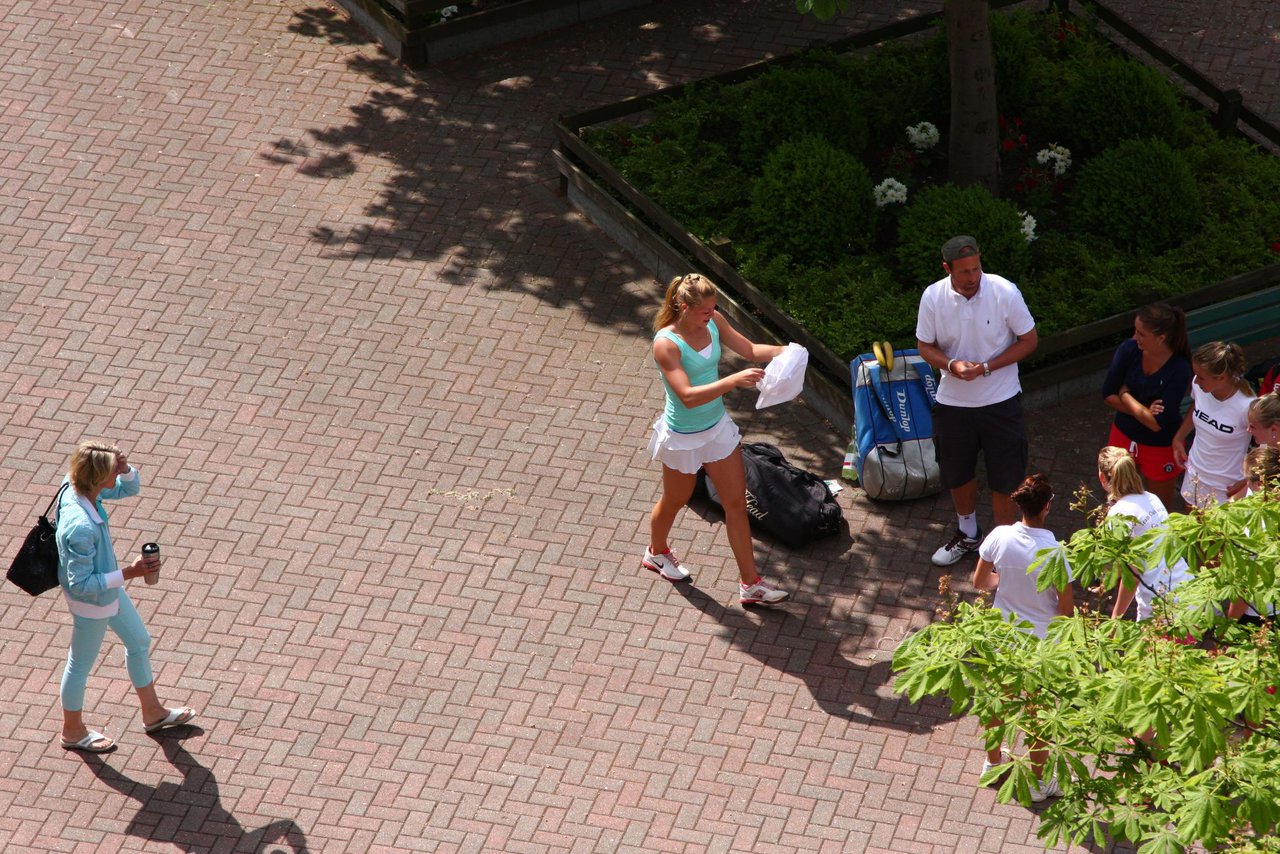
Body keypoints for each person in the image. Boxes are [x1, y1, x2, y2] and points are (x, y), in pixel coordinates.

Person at [645, 274, 790, 606]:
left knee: (736, 505)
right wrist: (733, 381)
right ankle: (657, 552)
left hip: (716, 430)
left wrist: (788, 351)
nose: (712, 315)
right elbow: (687, 396)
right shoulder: (666, 344)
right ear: (683, 307)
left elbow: (751, 349)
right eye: (705, 311)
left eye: (714, 308)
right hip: (682, 436)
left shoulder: (714, 321)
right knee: (674, 500)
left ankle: (751, 584)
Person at [55, 441, 196, 753]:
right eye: (111, 472)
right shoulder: (80, 527)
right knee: (79, 665)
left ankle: (153, 713)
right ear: (96, 477)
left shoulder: (77, 485)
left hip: (109, 590)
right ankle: (72, 731)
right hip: (91, 602)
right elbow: (81, 584)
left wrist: (125, 467)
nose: (115, 478)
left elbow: (128, 489)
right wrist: (130, 573)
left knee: (139, 641)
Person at [916, 235, 1038, 566]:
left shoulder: (1004, 291)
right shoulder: (932, 297)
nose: (973, 278)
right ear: (947, 269)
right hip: (953, 404)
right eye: (964, 272)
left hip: (1002, 402)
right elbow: (924, 346)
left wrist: (986, 368)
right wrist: (951, 365)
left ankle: (1003, 549)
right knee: (957, 473)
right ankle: (968, 534)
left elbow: (1029, 340)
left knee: (1005, 478)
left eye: (976, 268)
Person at [970, 473, 1073, 801]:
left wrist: (1008, 583)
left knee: (997, 702)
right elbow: (1067, 611)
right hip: (1041, 645)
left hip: (1003, 636)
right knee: (1037, 713)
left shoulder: (1000, 536)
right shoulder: (1055, 551)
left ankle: (992, 763)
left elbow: (980, 582)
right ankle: (1041, 783)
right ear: (1046, 507)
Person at [1102, 303, 1193, 513]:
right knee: (1117, 502)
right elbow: (1107, 395)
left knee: (1159, 510)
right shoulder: (1128, 349)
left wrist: (1125, 395)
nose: (1135, 337)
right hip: (1123, 435)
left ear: (1161, 337)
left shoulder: (1179, 369)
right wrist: (1144, 411)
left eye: (1142, 334)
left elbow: (1156, 424)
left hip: (1159, 446)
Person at [1097, 447, 1192, 621]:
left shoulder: (1117, 516)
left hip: (1160, 608)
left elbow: (1132, 574)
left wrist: (1115, 618)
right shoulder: (1152, 498)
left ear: (1102, 478)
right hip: (1189, 591)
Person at [1172, 341, 1254, 507]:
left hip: (1228, 486)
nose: (1195, 381)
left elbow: (1268, 445)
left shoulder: (1248, 406)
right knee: (1193, 529)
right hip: (1194, 475)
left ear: (1221, 377)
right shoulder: (1200, 387)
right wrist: (1178, 437)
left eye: (1202, 377)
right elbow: (1196, 407)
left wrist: (1248, 478)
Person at [1226, 445, 1280, 625]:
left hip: (1260, 612)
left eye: (1246, 478)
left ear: (1259, 484)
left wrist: (1229, 624)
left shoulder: (1255, 530)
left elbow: (1245, 587)